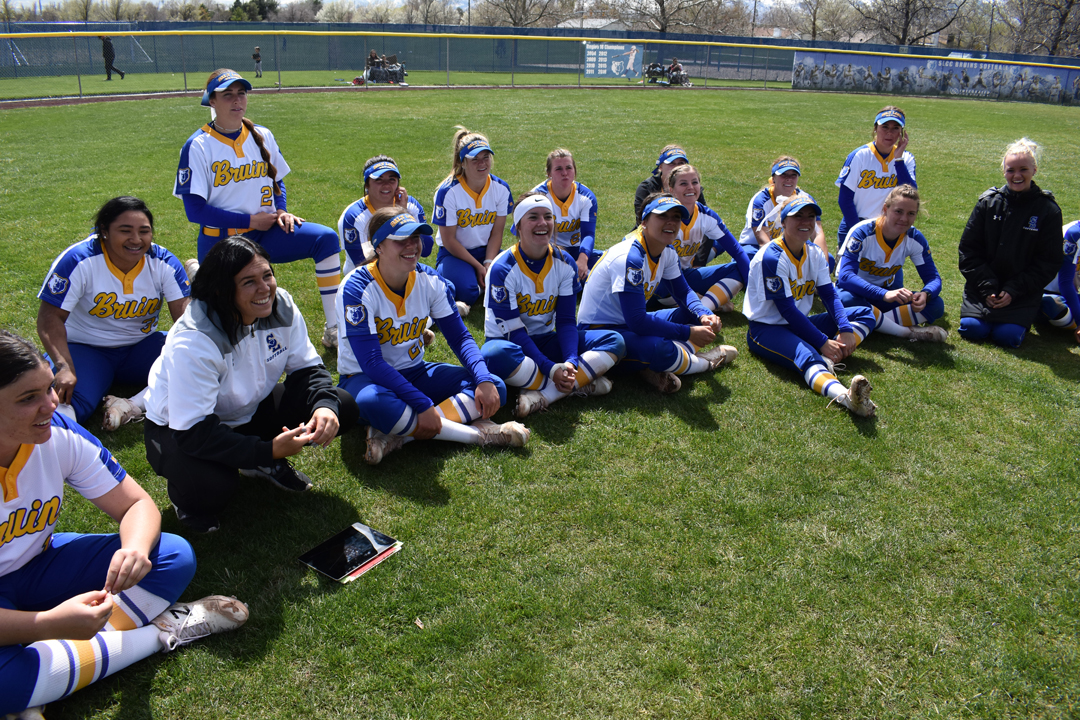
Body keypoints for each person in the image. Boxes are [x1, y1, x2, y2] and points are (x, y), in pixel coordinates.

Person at [0, 330, 248, 719]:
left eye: (49, 388)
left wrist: (133, 550)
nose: (51, 404)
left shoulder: (57, 434)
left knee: (170, 554)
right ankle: (162, 632)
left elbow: (136, 504)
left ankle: (47, 673)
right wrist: (48, 623)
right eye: (27, 399)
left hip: (35, 565)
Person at [144, 237, 359, 533]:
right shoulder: (194, 340)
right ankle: (188, 495)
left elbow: (307, 367)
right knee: (210, 490)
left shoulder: (280, 304)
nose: (265, 288)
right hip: (179, 429)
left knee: (341, 405)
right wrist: (268, 450)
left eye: (267, 275)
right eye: (249, 282)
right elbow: (194, 432)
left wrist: (324, 406)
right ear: (221, 289)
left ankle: (256, 459)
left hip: (247, 409)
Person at [337, 208, 528, 465]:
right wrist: (423, 404)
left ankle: (399, 435)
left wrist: (482, 379)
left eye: (415, 237)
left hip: (415, 371)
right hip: (365, 378)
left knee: (495, 388)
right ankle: (479, 435)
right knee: (374, 402)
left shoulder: (429, 279)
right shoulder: (356, 287)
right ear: (379, 246)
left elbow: (460, 337)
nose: (411, 246)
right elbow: (372, 363)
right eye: (400, 239)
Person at [174, 68, 343, 349]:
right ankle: (201, 273)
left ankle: (334, 328)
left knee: (325, 239)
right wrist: (250, 219)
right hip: (221, 242)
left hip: (265, 234)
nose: (236, 100)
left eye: (241, 93)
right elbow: (195, 211)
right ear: (211, 101)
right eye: (227, 95)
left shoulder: (261, 134)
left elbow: (277, 182)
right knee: (222, 330)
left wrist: (282, 210)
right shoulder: (198, 146)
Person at [36, 196, 190, 431]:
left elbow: (185, 320)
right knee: (67, 399)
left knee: (198, 363)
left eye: (144, 231)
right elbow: (49, 319)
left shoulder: (163, 261)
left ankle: (130, 405)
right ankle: (54, 443)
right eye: (125, 230)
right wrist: (64, 366)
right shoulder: (79, 259)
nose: (136, 239)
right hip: (86, 348)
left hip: (141, 346)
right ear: (104, 231)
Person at [482, 193, 625, 417]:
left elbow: (567, 321)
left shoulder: (565, 261)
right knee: (493, 354)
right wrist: (550, 368)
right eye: (533, 217)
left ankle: (546, 394)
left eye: (548, 216)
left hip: (546, 339)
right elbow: (514, 332)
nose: (542, 223)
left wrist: (569, 360)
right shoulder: (502, 268)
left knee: (614, 340)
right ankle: (576, 383)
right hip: (511, 344)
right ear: (518, 226)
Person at [578, 194, 736, 394]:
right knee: (660, 348)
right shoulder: (631, 257)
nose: (671, 222)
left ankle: (653, 365)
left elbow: (683, 292)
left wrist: (704, 314)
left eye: (676, 217)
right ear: (643, 221)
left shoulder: (666, 250)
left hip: (627, 325)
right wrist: (688, 333)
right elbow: (637, 321)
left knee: (694, 317)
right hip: (600, 331)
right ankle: (704, 362)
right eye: (663, 216)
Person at [743, 196, 878, 417]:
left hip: (799, 323)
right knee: (807, 355)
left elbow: (829, 294)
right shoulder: (772, 256)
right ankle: (849, 400)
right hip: (766, 328)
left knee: (864, 313)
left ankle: (833, 356)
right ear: (783, 222)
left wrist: (844, 329)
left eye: (811, 216)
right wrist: (821, 341)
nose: (805, 221)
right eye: (798, 216)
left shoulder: (813, 252)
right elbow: (786, 310)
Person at [958, 139, 1064, 347]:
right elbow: (968, 250)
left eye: (1023, 169)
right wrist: (987, 288)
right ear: (1004, 171)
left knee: (1007, 336)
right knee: (972, 330)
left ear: (1034, 170)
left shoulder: (1048, 210)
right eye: (1011, 170)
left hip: (1021, 292)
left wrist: (1013, 291)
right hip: (983, 288)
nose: (1017, 176)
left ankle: (1022, 316)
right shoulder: (988, 203)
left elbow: (1048, 262)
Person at [837, 185, 948, 342]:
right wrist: (884, 294)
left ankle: (873, 323)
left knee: (936, 304)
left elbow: (933, 278)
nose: (904, 218)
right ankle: (906, 332)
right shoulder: (862, 232)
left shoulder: (915, 238)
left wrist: (926, 294)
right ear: (885, 209)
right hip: (854, 293)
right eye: (898, 211)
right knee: (845, 302)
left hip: (884, 296)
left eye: (911, 214)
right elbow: (845, 277)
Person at [432, 127, 513, 317]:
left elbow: (497, 232)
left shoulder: (501, 188)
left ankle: (480, 283)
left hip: (487, 251)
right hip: (454, 254)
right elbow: (449, 240)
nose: (481, 163)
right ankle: (458, 280)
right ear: (463, 162)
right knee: (468, 291)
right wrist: (478, 267)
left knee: (513, 278)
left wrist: (488, 262)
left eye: (486, 157)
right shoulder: (448, 191)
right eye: (474, 159)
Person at [662, 164, 749, 314]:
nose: (690, 187)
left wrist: (755, 289)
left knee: (738, 268)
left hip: (685, 275)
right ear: (671, 190)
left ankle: (702, 308)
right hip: (659, 281)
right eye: (683, 183)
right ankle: (702, 304)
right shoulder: (663, 215)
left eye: (694, 182)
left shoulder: (705, 215)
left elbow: (737, 251)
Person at [835, 106, 916, 249]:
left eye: (895, 128)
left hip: (889, 229)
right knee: (848, 271)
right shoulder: (860, 156)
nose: (889, 133)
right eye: (885, 127)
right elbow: (845, 199)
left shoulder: (906, 158)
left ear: (902, 133)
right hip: (855, 224)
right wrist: (859, 231)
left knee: (889, 270)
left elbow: (911, 196)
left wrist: (898, 161)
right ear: (875, 129)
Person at [337, 155, 428, 276]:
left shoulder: (411, 206)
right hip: (363, 278)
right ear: (367, 185)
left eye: (392, 179)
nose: (386, 185)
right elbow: (360, 261)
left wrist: (403, 213)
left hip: (403, 273)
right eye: (378, 179)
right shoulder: (354, 216)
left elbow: (427, 250)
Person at [739, 156, 828, 265]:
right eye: (783, 174)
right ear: (773, 178)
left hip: (790, 246)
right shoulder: (760, 201)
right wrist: (787, 261)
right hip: (755, 246)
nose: (789, 179)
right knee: (749, 258)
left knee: (824, 258)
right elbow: (763, 241)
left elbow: (818, 234)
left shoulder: (805, 199)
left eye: (793, 175)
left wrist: (824, 265)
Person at [527, 148, 600, 281]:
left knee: (600, 273)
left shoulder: (586, 197)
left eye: (569, 168)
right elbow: (524, 234)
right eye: (558, 169)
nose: (565, 173)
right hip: (547, 251)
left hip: (577, 250)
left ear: (575, 171)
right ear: (549, 173)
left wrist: (583, 260)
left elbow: (588, 234)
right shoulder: (538, 197)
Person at [632, 145, 708, 227]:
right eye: (672, 163)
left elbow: (703, 217)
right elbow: (642, 220)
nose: (677, 167)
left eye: (681, 163)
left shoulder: (691, 189)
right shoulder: (647, 188)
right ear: (660, 166)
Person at [1039, 221, 1080, 342]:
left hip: (1071, 293)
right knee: (1056, 308)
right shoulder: (1075, 233)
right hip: (1049, 292)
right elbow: (1065, 283)